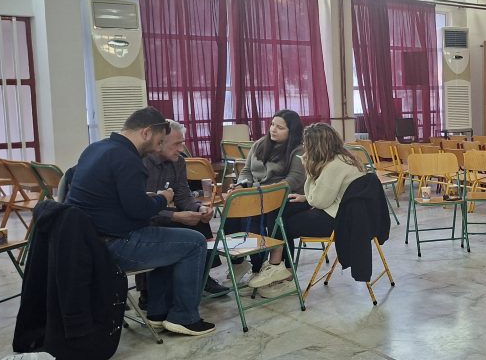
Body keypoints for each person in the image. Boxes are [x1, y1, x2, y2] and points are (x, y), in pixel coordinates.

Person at [66, 107, 215, 336]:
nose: (157, 147)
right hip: (113, 245)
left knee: (170, 237)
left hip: (86, 242)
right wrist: (163, 199)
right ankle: (185, 317)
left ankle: (158, 313)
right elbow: (139, 211)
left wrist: (154, 200)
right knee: (194, 242)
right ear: (146, 133)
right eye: (159, 141)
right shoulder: (128, 159)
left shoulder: (96, 148)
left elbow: (110, 199)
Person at [256, 123, 365, 298]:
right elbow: (325, 196)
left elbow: (319, 201)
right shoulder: (343, 159)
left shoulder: (334, 166)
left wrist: (309, 170)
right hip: (341, 211)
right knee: (279, 209)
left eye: (307, 144)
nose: (305, 148)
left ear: (317, 146)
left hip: (338, 220)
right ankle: (279, 268)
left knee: (282, 223)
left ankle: (280, 270)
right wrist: (305, 198)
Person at [142, 120, 228, 296]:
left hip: (162, 210)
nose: (181, 148)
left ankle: (202, 276)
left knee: (200, 221)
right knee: (164, 225)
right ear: (160, 142)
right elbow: (141, 207)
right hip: (143, 217)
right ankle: (147, 290)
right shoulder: (142, 163)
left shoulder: (179, 161)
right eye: (177, 144)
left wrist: (199, 208)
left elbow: (183, 195)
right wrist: (175, 216)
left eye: (182, 143)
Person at [225, 109, 307, 289]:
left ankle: (279, 269)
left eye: (280, 127)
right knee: (233, 208)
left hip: (285, 196)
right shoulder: (260, 144)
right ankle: (241, 262)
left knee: (273, 214)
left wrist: (261, 191)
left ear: (292, 131)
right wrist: (242, 185)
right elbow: (246, 171)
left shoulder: (298, 150)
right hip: (257, 193)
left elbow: (293, 180)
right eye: (272, 125)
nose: (273, 130)